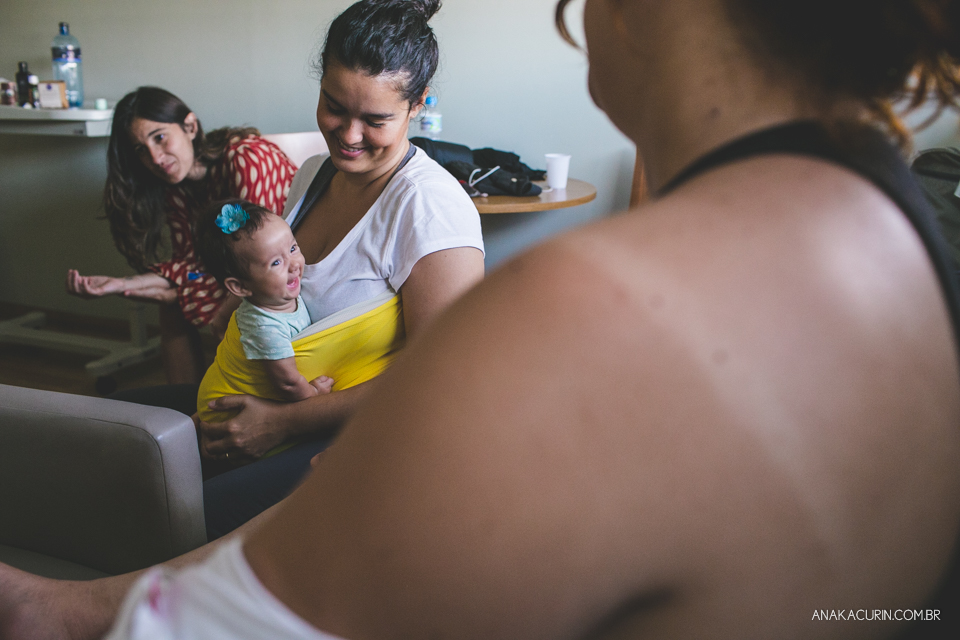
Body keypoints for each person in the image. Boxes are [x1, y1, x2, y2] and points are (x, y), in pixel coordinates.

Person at [4, 0, 959, 638]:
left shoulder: (596, 300)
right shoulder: (894, 231)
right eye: (333, 109)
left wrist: (68, 609)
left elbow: (267, 606)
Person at [65, 86, 299, 384]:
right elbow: (189, 264)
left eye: (159, 137)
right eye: (140, 149)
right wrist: (120, 284)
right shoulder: (176, 188)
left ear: (190, 126)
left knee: (179, 294)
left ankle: (230, 395)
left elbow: (257, 254)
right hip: (248, 270)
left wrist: (173, 288)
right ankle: (186, 406)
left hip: (288, 264)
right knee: (174, 297)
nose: (155, 157)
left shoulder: (245, 159)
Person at [194, 200, 334, 408]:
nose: (294, 264)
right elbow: (287, 383)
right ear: (240, 287)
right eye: (276, 263)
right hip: (229, 409)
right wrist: (314, 393)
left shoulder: (278, 295)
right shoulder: (264, 327)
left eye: (293, 248)